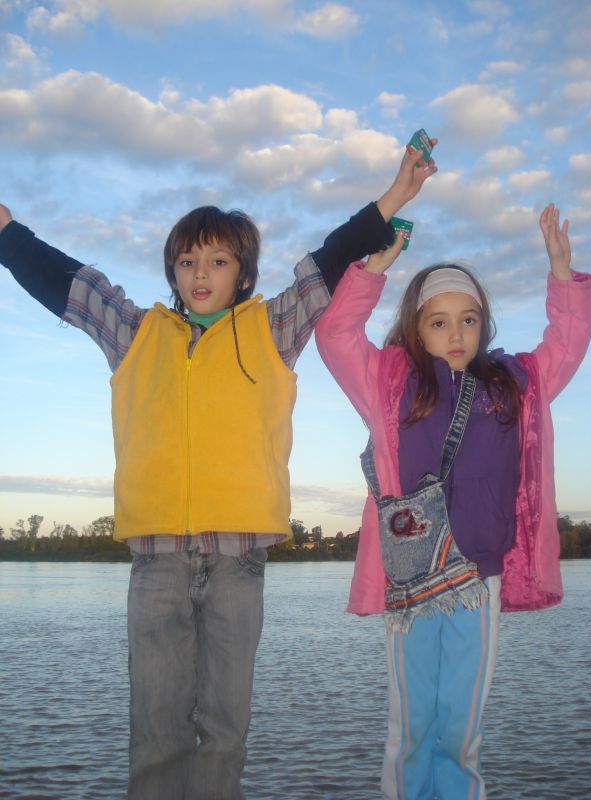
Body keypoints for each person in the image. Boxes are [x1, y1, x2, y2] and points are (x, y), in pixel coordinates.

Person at [0, 142, 437, 800]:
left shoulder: (272, 327)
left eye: (217, 260)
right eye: (186, 260)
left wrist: (395, 197)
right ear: (172, 271)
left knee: (227, 728)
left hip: (239, 562)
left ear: (243, 272)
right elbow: (72, 284)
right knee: (156, 729)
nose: (199, 272)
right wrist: (7, 233)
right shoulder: (135, 331)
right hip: (157, 562)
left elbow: (326, 262)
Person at [315, 202, 591, 799]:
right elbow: (335, 335)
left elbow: (565, 347)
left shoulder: (513, 384)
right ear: (415, 328)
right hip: (411, 583)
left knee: (462, 730)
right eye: (438, 322)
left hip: (478, 578)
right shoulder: (390, 382)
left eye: (468, 320)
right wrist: (373, 269)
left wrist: (562, 277)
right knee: (411, 728)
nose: (455, 333)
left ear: (484, 324)